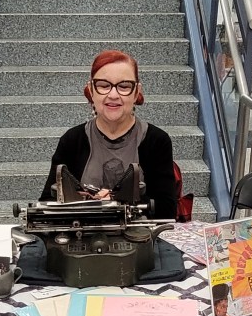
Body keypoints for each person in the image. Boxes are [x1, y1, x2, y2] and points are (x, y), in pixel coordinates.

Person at [40, 49, 177, 220]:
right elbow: (47, 203)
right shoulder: (72, 141)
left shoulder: (156, 141)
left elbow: (167, 210)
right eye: (104, 86)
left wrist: (114, 201)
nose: (113, 95)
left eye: (124, 86)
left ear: (136, 92)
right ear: (91, 90)